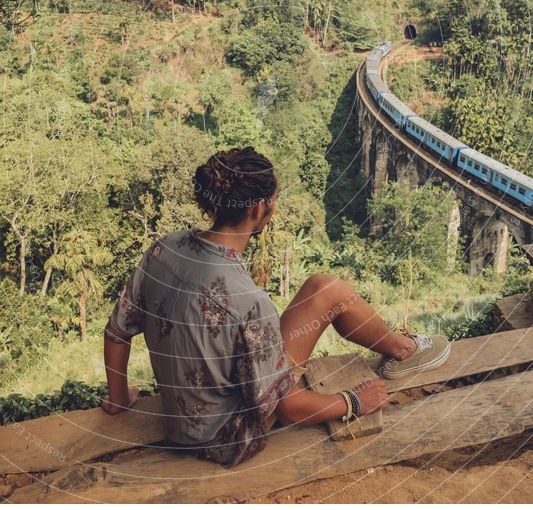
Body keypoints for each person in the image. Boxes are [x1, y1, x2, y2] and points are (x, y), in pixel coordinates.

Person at [102, 146, 451, 467]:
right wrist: (354, 401)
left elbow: (118, 333)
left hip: (180, 420)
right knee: (330, 290)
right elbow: (287, 407)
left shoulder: (165, 249)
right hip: (229, 439)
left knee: (322, 287)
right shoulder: (249, 303)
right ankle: (404, 351)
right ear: (259, 209)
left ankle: (400, 348)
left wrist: (118, 399)